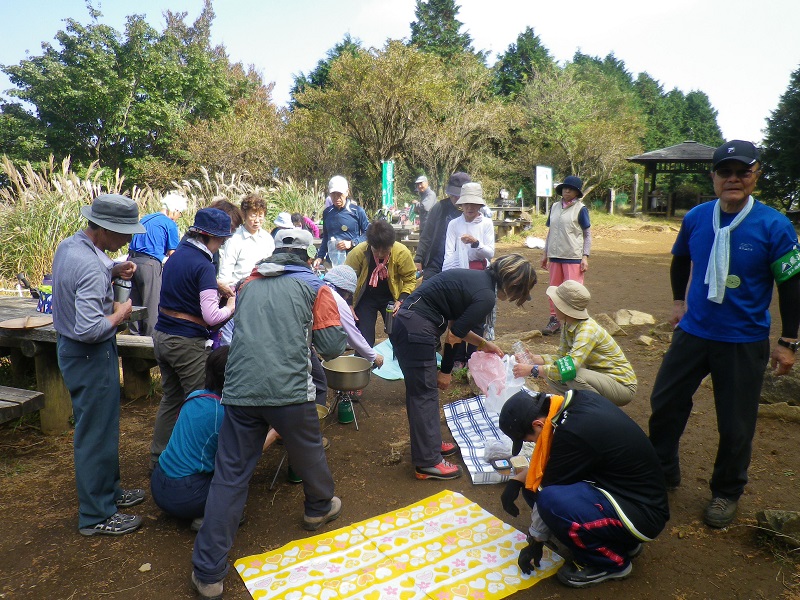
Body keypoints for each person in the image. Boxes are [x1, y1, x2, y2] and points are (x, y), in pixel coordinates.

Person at [648, 140, 800, 529]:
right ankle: (663, 471)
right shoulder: (698, 216)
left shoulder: (774, 225)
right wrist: (678, 302)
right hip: (694, 331)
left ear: (756, 174)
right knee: (665, 403)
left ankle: (726, 491)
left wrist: (788, 341)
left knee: (736, 423)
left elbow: (792, 285)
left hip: (743, 339)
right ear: (713, 176)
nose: (733, 179)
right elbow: (681, 258)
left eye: (742, 172)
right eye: (725, 172)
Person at [190, 228, 347, 600]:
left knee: (229, 477)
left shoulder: (248, 285)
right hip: (290, 392)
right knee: (308, 452)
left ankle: (208, 574)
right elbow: (330, 344)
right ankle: (318, 508)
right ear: (308, 258)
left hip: (240, 390)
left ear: (275, 253)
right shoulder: (316, 287)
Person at [499, 388, 669, 588]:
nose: (533, 443)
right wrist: (518, 480)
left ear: (538, 424)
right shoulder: (574, 404)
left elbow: (547, 490)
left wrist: (535, 541)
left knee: (549, 501)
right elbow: (547, 467)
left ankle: (611, 563)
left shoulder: (572, 433)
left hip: (642, 515)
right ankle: (622, 543)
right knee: (534, 488)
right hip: (630, 495)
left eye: (530, 439)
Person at [389, 254, 537, 481]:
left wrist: (484, 344)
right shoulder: (486, 296)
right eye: (521, 292)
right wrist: (446, 371)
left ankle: (431, 444)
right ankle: (427, 462)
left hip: (409, 324)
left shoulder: (476, 280)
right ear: (515, 285)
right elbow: (454, 336)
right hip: (416, 330)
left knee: (421, 393)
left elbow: (456, 326)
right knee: (424, 395)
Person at [52, 194, 147, 536]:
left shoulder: (70, 247)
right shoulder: (92, 267)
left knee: (103, 427)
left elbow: (87, 270)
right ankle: (96, 515)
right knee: (95, 433)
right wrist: (120, 314)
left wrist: (114, 267)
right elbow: (89, 328)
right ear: (104, 229)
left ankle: (109, 493)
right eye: (124, 232)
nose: (129, 239)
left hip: (74, 351)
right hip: (90, 353)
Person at [150, 208, 235, 471]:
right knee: (202, 401)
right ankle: (195, 465)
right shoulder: (203, 265)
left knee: (171, 399)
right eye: (220, 239)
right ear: (208, 237)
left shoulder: (177, 256)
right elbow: (211, 316)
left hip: (162, 336)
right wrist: (233, 303)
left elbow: (184, 288)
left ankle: (158, 458)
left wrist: (214, 285)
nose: (221, 244)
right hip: (185, 343)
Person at [513, 280, 636, 406]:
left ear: (563, 307)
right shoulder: (569, 324)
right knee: (554, 375)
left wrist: (533, 370)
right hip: (602, 379)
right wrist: (536, 359)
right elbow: (562, 358)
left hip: (622, 385)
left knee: (571, 375)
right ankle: (581, 404)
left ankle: (597, 409)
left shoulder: (587, 330)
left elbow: (569, 368)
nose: (553, 304)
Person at [150, 346, 230, 530]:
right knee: (235, 484)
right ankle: (208, 515)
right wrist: (273, 433)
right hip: (185, 494)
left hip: (158, 482)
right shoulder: (223, 414)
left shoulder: (195, 396)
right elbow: (242, 455)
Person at [441, 181, 496, 367]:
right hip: (458, 273)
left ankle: (473, 359)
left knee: (477, 317)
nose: (470, 208)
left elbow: (490, 253)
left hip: (480, 272)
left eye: (474, 204)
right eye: (466, 204)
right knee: (457, 316)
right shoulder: (454, 224)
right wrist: (448, 275)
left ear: (480, 205)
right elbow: (448, 252)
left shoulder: (487, 224)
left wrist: (475, 243)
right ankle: (456, 358)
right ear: (461, 204)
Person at [345, 219, 417, 349]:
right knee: (364, 338)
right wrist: (349, 304)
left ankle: (400, 364)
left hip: (392, 297)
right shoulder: (359, 252)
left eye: (385, 250)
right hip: (366, 298)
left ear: (392, 244)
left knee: (397, 333)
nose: (380, 254)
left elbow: (410, 279)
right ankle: (363, 365)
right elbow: (346, 278)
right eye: (376, 250)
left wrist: (401, 300)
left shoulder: (401, 252)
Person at [128, 192, 186, 335]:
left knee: (134, 303)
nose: (179, 217)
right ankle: (150, 341)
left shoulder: (146, 218)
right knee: (152, 305)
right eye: (180, 213)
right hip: (150, 264)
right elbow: (173, 254)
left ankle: (134, 338)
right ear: (175, 210)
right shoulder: (170, 224)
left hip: (131, 262)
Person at [541, 175, 591, 336]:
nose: (567, 191)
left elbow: (587, 235)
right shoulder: (555, 207)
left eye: (570, 189)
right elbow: (550, 232)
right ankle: (554, 320)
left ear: (577, 192)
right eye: (564, 188)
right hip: (555, 256)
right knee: (553, 289)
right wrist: (545, 253)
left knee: (574, 291)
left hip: (573, 256)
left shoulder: (581, 209)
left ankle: (575, 323)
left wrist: (585, 256)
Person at [323, 264, 384, 368]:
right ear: (345, 290)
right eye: (350, 294)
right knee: (318, 379)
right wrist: (374, 356)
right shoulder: (336, 300)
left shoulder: (321, 287)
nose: (349, 297)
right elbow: (352, 335)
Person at [414, 172, 470, 280]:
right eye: (452, 194)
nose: (455, 198)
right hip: (436, 262)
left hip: (463, 265)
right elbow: (427, 235)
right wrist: (418, 258)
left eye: (459, 195)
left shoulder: (473, 211)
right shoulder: (439, 207)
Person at [217, 194, 274, 289]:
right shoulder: (234, 239)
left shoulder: (267, 238)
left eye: (260, 216)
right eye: (253, 215)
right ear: (244, 215)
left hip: (263, 287)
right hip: (240, 288)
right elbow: (226, 269)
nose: (257, 220)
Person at [314, 176, 369, 268]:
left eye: (339, 194)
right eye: (333, 194)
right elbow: (326, 237)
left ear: (346, 192)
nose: (336, 197)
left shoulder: (357, 211)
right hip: (331, 261)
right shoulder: (327, 212)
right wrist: (320, 256)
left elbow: (368, 233)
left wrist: (352, 243)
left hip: (353, 260)